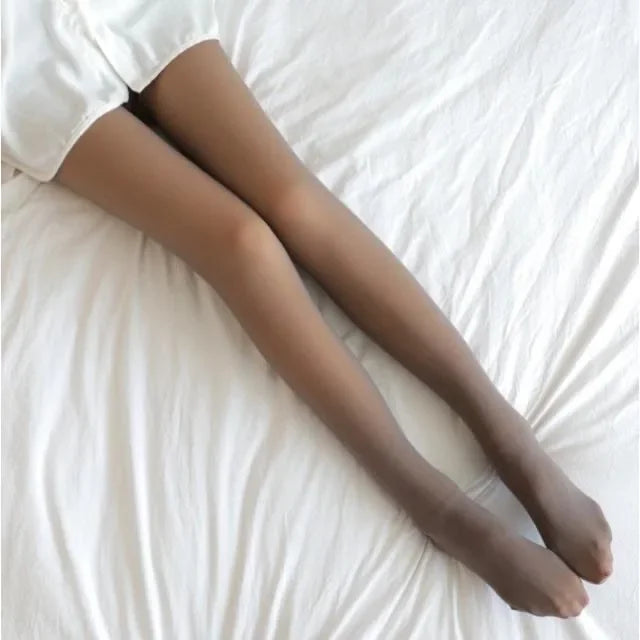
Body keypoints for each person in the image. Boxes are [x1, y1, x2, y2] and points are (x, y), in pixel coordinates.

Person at [2, 1, 612, 618]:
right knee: (240, 243)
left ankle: (509, 438)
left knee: (294, 200)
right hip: (18, 59)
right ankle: (438, 507)